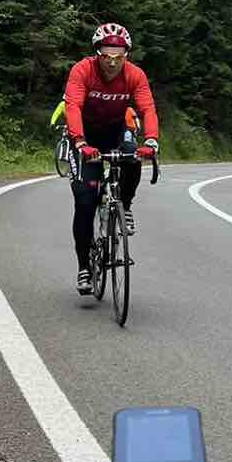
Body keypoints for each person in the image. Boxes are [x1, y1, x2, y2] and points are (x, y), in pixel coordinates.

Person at [61, 22, 159, 295]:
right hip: (85, 135)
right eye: (107, 56)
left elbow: (147, 108)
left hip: (116, 129)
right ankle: (84, 267)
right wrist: (79, 141)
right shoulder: (82, 70)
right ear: (97, 54)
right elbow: (73, 107)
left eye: (119, 56)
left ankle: (124, 204)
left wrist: (151, 140)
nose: (113, 62)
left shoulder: (135, 75)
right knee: (85, 201)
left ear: (126, 54)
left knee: (133, 158)